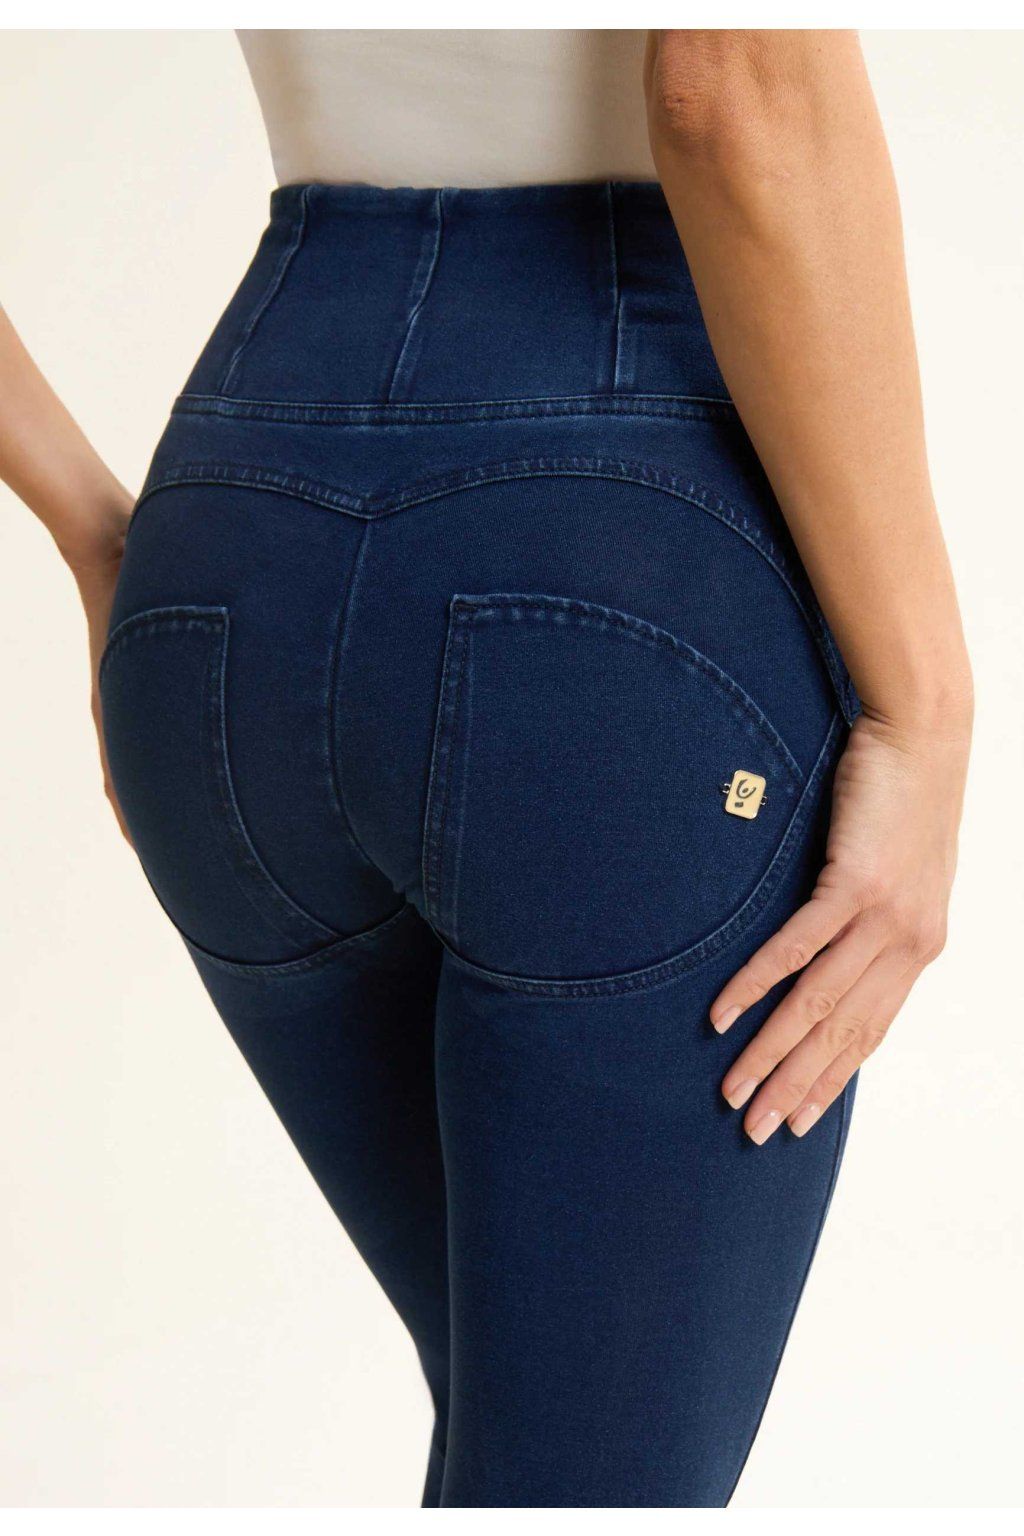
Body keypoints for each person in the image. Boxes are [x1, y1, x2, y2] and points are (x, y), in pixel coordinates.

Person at [0, 29, 972, 1508]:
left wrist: (94, 535)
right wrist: (926, 711)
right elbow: (731, 88)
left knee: (529, 1447)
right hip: (613, 557)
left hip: (232, 534)